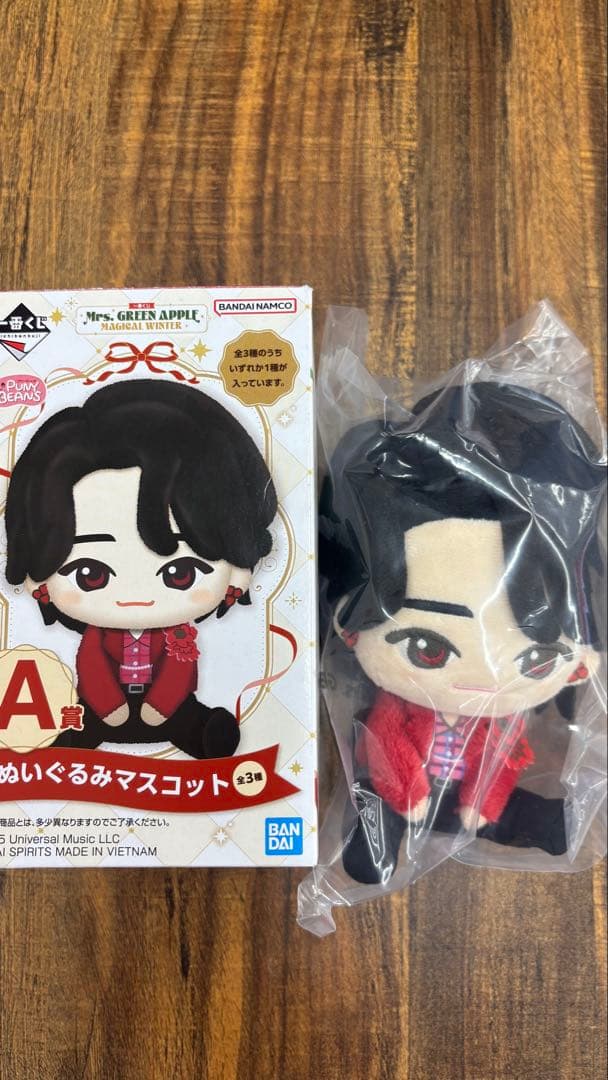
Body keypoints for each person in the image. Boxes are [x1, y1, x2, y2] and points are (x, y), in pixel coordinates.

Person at [321, 381, 606, 882]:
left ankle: (518, 822)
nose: (481, 677)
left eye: (535, 659)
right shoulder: (401, 708)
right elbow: (386, 742)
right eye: (427, 648)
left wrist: (481, 804)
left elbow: (502, 763)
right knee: (375, 800)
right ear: (352, 627)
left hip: (464, 798)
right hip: (401, 793)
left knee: (507, 811)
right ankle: (381, 831)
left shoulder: (501, 725)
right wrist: (409, 793)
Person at [5, 378, 277, 759]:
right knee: (78, 726)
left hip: (169, 709)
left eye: (180, 574)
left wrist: (160, 707)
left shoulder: (179, 636)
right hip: (103, 708)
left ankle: (204, 735)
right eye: (91, 575)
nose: (135, 598)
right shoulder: (99, 637)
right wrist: (108, 706)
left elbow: (179, 670)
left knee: (192, 723)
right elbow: (92, 665)